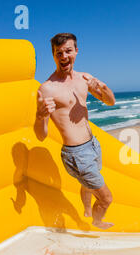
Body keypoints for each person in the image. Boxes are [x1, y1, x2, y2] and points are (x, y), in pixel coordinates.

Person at [34, 33, 116, 230]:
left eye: (68, 51)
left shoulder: (84, 79)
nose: (63, 56)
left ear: (76, 51)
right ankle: (96, 221)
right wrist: (39, 115)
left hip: (93, 144)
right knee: (106, 199)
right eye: (58, 52)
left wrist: (103, 89)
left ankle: (87, 210)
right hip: (76, 153)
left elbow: (111, 102)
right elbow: (41, 135)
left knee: (87, 184)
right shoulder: (47, 89)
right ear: (54, 55)